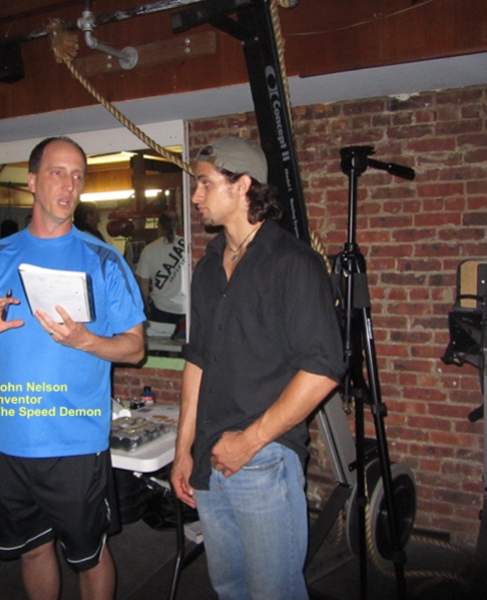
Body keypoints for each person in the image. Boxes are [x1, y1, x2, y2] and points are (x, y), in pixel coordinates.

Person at [0, 136, 146, 600]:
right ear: (31, 181)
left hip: (75, 443)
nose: (69, 185)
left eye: (78, 175)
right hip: (9, 439)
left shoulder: (104, 260)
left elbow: (135, 349)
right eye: (57, 172)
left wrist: (86, 340)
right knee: (32, 552)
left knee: (90, 556)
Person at [170, 136, 345, 600]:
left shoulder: (293, 263)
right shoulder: (208, 268)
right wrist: (183, 449)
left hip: (263, 458)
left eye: (205, 183)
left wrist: (247, 443)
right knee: (229, 587)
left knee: (274, 593)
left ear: (243, 185)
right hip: (209, 455)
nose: (195, 196)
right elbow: (197, 360)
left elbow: (324, 368)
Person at [135, 211, 186, 326]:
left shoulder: (149, 250)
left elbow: (144, 283)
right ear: (177, 226)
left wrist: (146, 306)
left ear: (159, 226)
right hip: (184, 307)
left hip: (160, 308)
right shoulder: (187, 245)